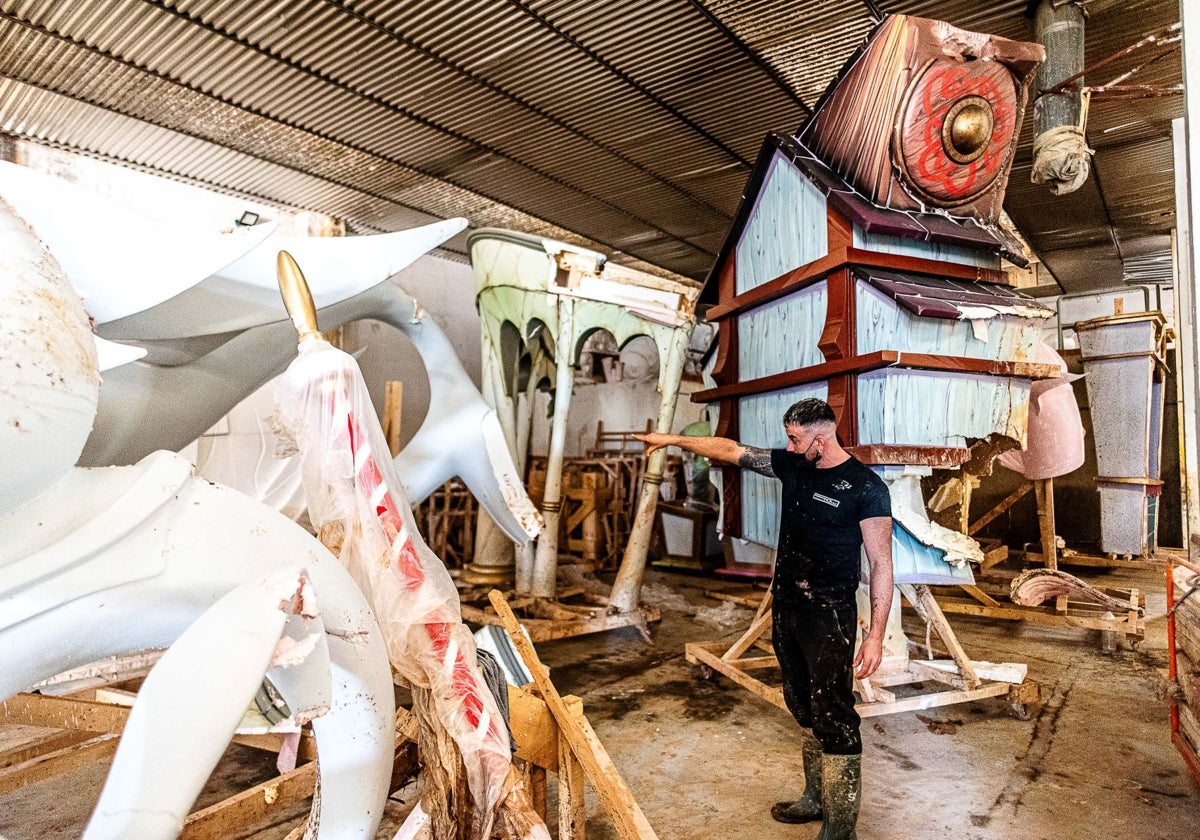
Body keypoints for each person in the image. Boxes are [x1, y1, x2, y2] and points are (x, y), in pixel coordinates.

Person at [637, 398, 892, 840]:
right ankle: (816, 798)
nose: (789, 447)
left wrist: (876, 637)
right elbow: (731, 450)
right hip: (788, 607)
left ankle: (840, 828)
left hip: (830, 614)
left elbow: (882, 564)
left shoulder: (866, 488)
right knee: (802, 704)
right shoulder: (795, 465)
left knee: (834, 714)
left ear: (820, 437)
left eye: (795, 439)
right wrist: (672, 439)